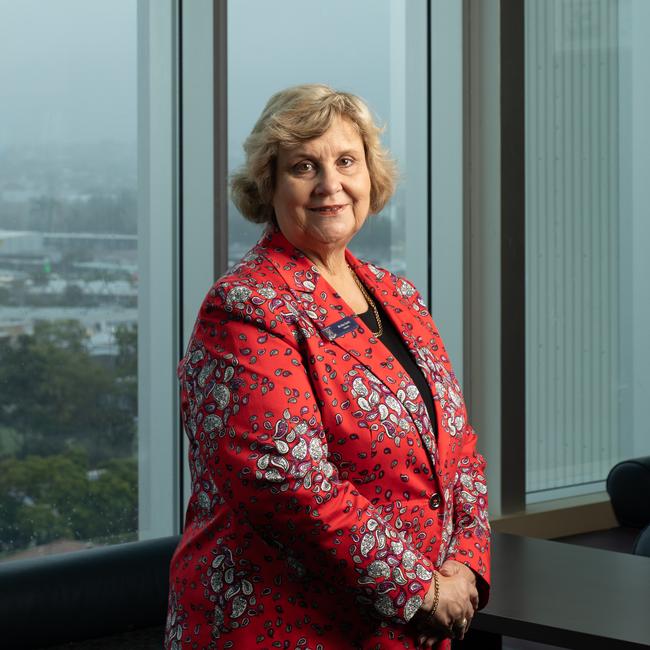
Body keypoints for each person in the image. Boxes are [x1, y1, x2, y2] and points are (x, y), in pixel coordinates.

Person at [165, 84, 490, 650]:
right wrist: (423, 591)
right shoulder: (246, 306)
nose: (329, 185)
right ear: (269, 185)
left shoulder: (399, 297)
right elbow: (290, 485)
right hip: (286, 627)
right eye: (303, 166)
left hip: (408, 630)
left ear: (370, 175)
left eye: (346, 161)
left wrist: (466, 568)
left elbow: (457, 450)